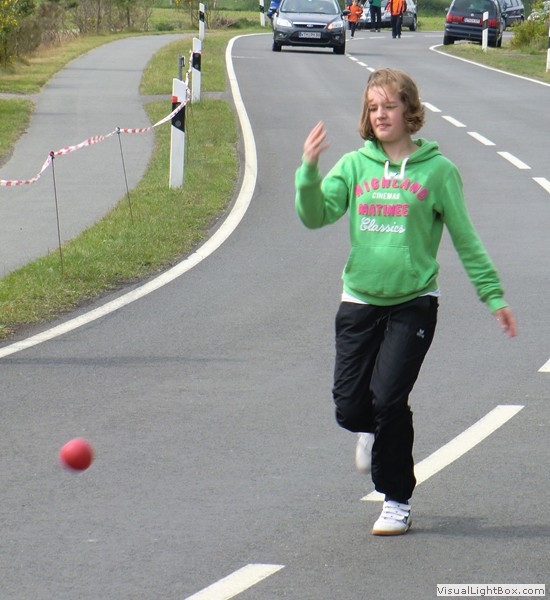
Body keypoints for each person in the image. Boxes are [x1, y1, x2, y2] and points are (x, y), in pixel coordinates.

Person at [294, 68, 517, 536]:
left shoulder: (439, 172)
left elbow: (466, 239)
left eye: (389, 106)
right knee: (350, 408)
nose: (380, 115)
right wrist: (309, 173)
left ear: (409, 110)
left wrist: (492, 295)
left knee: (390, 399)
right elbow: (315, 216)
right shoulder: (354, 166)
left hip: (414, 302)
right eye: (373, 108)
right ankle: (371, 430)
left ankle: (396, 499)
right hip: (359, 299)